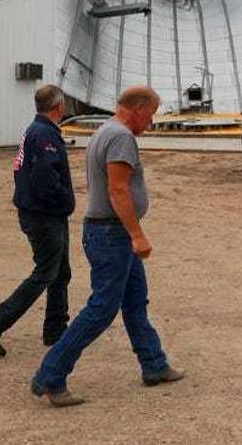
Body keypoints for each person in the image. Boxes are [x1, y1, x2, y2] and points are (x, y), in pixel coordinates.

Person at [30, 86, 183, 407]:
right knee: (101, 309)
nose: (151, 122)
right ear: (137, 108)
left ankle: (153, 364)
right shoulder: (121, 137)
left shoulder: (106, 131)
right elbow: (118, 189)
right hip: (112, 234)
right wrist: (137, 234)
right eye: (151, 114)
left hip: (111, 233)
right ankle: (51, 375)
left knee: (135, 301)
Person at [0, 85, 74, 357]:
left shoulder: (37, 130)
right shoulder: (44, 135)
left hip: (42, 213)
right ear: (59, 107)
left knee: (60, 273)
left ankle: (56, 329)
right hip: (44, 216)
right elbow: (45, 179)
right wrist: (64, 201)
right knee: (45, 273)